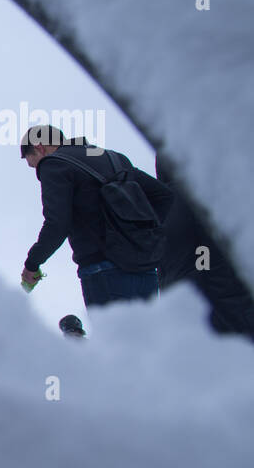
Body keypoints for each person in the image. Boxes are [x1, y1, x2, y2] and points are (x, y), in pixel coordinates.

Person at [19, 125, 173, 308]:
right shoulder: (114, 157)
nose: (37, 170)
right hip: (145, 269)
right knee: (145, 336)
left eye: (33, 163)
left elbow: (58, 224)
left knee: (114, 336)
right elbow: (165, 197)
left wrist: (32, 264)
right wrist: (149, 233)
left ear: (39, 147)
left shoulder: (53, 163)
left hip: (103, 270)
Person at [155, 155, 254, 339]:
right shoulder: (205, 196)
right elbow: (207, 258)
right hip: (221, 309)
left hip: (180, 310)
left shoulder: (159, 206)